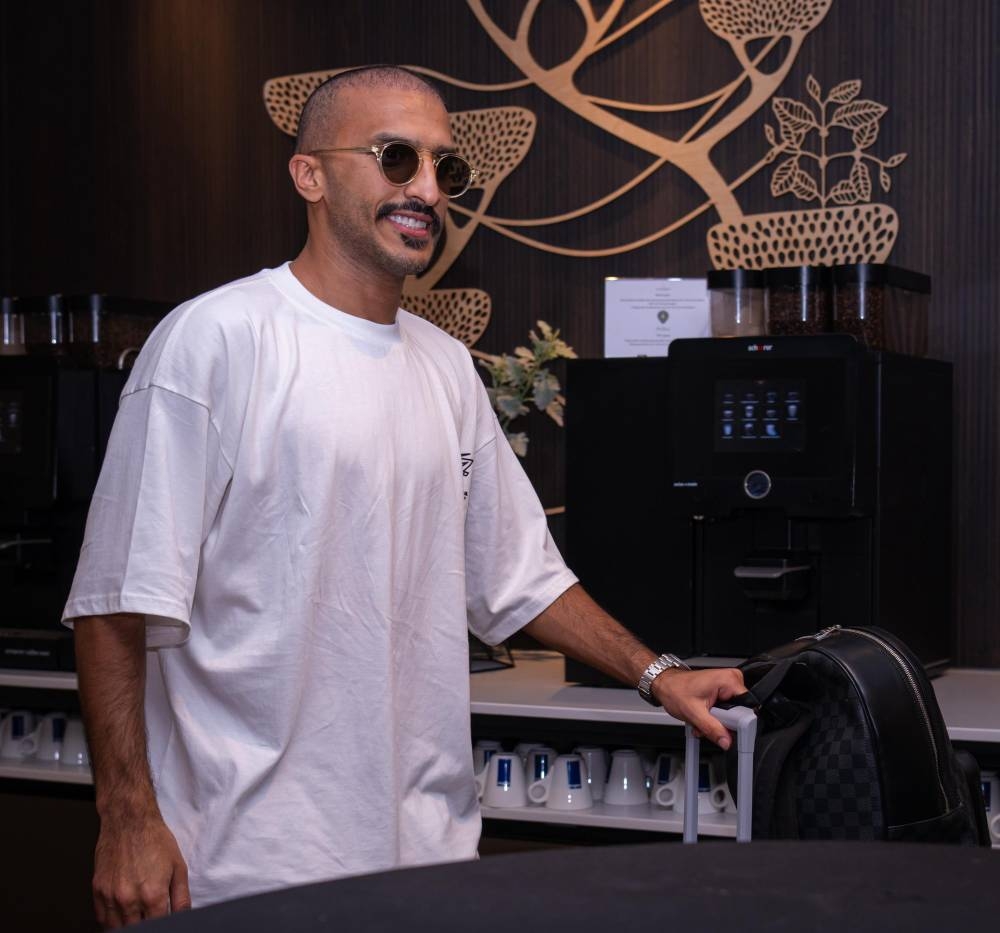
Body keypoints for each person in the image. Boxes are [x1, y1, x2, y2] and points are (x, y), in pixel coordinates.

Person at [63, 65, 745, 928]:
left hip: (426, 858)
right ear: (309, 175)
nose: (426, 188)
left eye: (443, 167)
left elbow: (522, 579)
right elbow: (116, 605)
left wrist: (658, 676)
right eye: (395, 158)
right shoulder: (217, 340)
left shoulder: (446, 366)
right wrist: (127, 818)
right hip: (246, 863)